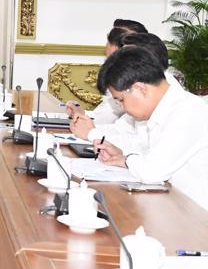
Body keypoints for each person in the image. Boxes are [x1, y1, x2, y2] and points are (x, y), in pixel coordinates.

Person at [92, 46, 208, 210]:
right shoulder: (165, 109)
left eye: (121, 100)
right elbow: (150, 156)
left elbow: (151, 171)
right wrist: (123, 157)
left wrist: (127, 160)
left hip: (196, 220)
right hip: (173, 207)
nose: (123, 108)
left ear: (140, 88)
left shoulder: (188, 111)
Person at [69, 32, 183, 152]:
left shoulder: (182, 110)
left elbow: (147, 153)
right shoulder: (147, 100)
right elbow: (121, 129)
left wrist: (92, 133)